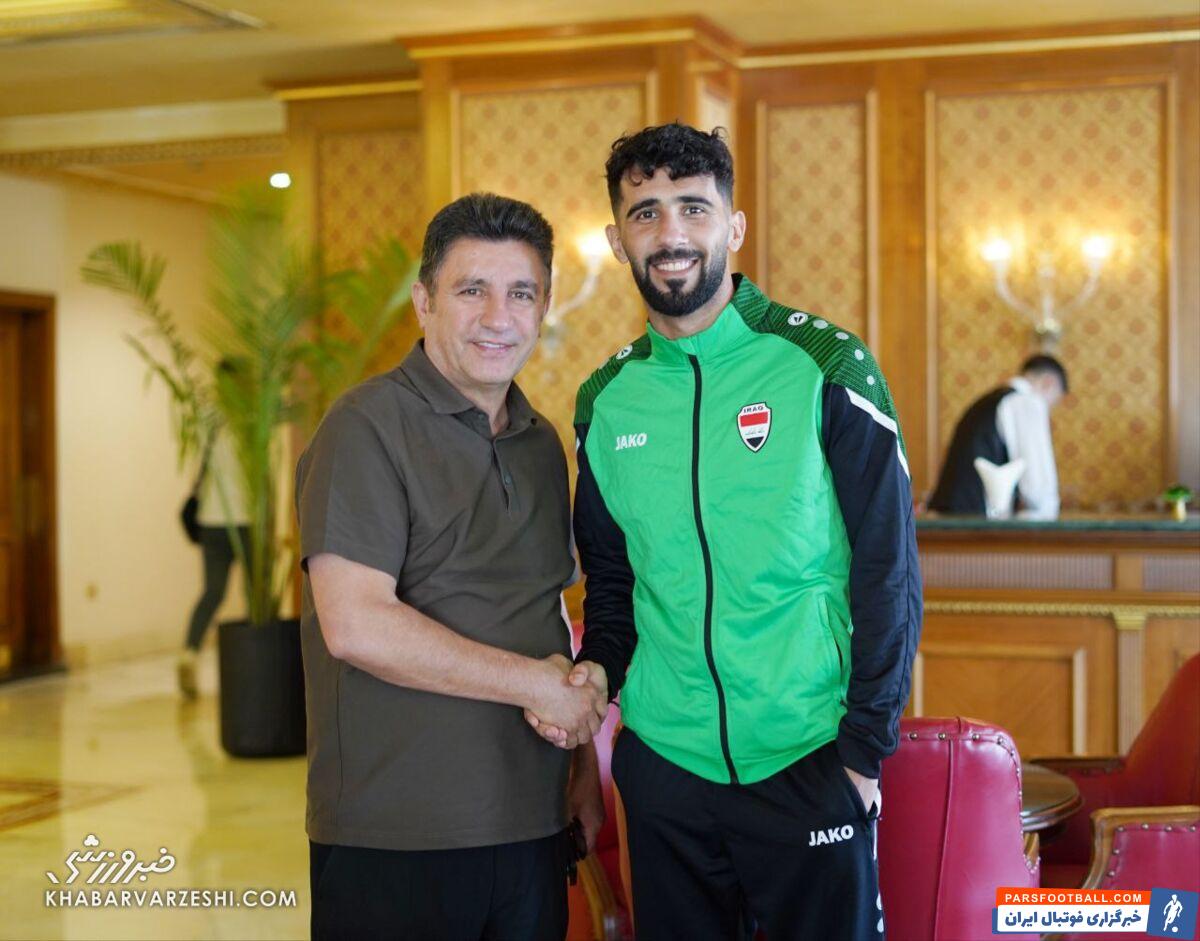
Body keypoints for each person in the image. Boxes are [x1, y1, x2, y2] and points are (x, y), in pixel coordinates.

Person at [527, 123, 922, 940]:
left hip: (810, 756)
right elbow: (613, 586)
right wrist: (598, 676)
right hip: (666, 773)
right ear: (617, 240)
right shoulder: (606, 401)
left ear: (733, 227)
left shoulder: (826, 365)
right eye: (645, 213)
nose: (670, 233)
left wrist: (862, 749)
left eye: (693, 208)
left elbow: (889, 572)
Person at [295, 193, 606, 941]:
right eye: (472, 290)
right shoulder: (363, 427)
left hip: (532, 825)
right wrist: (533, 684)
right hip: (398, 836)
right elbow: (356, 624)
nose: (498, 317)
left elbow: (544, 609)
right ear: (424, 302)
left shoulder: (541, 442)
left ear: (544, 308)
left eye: (521, 293)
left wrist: (581, 772)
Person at [928, 354, 1067, 519]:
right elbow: (1036, 486)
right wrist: (1047, 516)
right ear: (1048, 383)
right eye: (1053, 402)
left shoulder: (988, 401)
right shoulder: (1026, 402)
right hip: (976, 519)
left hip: (949, 512)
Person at [177, 415, 250, 699]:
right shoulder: (248, 421)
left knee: (212, 592)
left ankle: (189, 652)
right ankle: (251, 664)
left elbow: (196, 472)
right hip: (245, 520)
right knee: (254, 593)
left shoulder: (207, 424)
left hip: (211, 521)